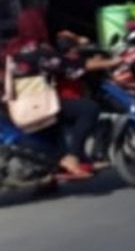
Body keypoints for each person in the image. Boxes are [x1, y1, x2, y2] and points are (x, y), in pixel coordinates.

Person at [2, 9, 101, 179]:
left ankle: (50, 176)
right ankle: (74, 156)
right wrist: (109, 62)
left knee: (55, 123)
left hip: (18, 109)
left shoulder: (11, 51)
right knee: (89, 108)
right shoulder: (41, 51)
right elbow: (71, 69)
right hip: (40, 105)